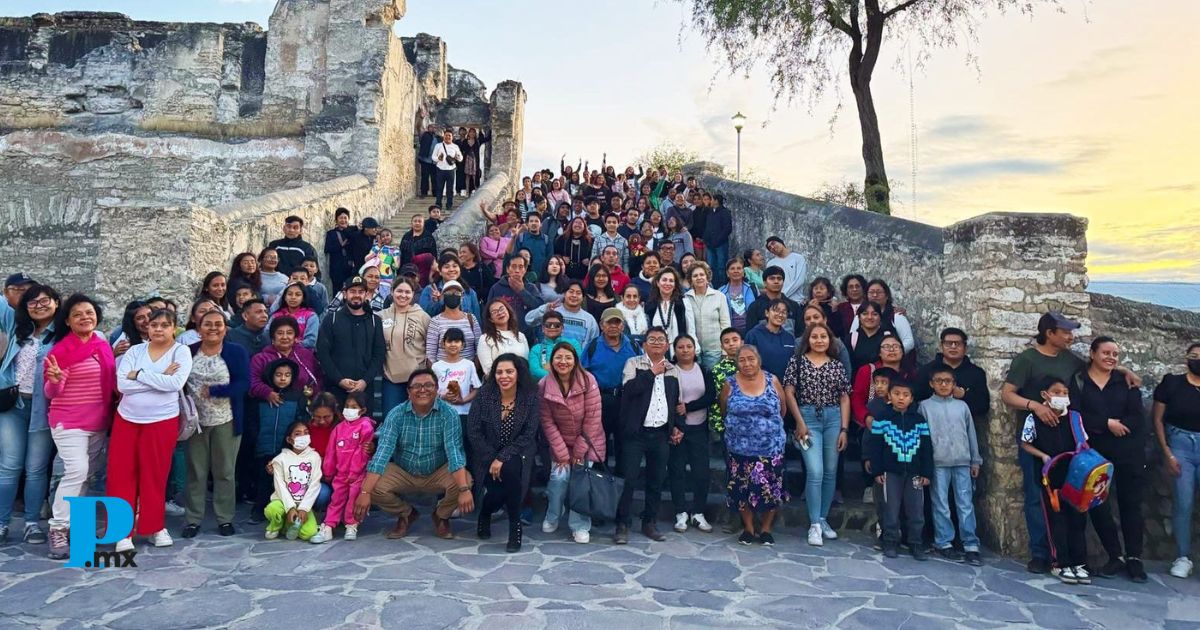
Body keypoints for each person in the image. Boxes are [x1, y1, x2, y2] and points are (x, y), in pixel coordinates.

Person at [110, 308, 193, 553]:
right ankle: (122, 532)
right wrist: (157, 377)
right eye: (153, 325)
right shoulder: (135, 350)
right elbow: (122, 384)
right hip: (127, 418)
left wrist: (142, 374)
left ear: (174, 328)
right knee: (121, 474)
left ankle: (155, 526)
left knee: (154, 474)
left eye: (164, 325)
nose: (158, 329)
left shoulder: (181, 351)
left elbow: (175, 384)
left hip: (162, 420)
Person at [357, 368, 473, 539]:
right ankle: (406, 514)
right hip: (404, 471)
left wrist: (463, 489)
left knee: (466, 481)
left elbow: (454, 452)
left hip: (437, 471)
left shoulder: (449, 414)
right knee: (371, 486)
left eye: (428, 385)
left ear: (436, 388)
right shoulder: (396, 414)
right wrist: (365, 493)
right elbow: (382, 453)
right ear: (408, 392)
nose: (423, 390)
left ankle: (441, 516)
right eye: (417, 386)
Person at [41, 295, 115, 560]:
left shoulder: (102, 345)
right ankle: (58, 528)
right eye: (77, 314)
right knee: (76, 471)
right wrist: (55, 380)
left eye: (89, 312)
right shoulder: (61, 351)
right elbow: (51, 391)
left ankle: (77, 527)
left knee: (85, 476)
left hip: (98, 421)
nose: (85, 317)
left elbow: (111, 381)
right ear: (68, 322)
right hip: (68, 421)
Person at [1069, 337, 1147, 582]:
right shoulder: (1079, 381)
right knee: (1098, 505)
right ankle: (1115, 555)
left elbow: (1137, 416)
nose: (1111, 358)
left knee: (1130, 504)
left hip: (1128, 452)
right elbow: (1076, 415)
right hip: (1096, 454)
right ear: (1092, 354)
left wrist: (1120, 426)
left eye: (1115, 354)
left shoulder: (1126, 382)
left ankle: (1134, 558)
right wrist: (1106, 424)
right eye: (1106, 352)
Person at [180, 310, 249, 539]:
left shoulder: (235, 352)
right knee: (196, 471)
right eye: (207, 324)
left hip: (226, 420)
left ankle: (224, 518)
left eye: (218, 324)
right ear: (198, 329)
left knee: (225, 472)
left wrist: (217, 391)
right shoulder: (188, 352)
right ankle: (193, 519)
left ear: (225, 328)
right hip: (195, 422)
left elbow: (243, 384)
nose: (213, 328)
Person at [783, 323, 851, 547]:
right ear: (807, 340)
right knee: (815, 470)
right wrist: (799, 423)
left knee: (830, 471)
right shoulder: (798, 362)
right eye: (815, 336)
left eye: (824, 336)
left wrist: (844, 428)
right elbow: (789, 392)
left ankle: (822, 519)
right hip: (808, 418)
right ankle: (813, 524)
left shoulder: (837, 365)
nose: (819, 340)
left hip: (833, 418)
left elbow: (844, 397)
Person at [614, 327, 683, 544]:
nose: (656, 342)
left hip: (661, 433)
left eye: (660, 339)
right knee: (629, 479)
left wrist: (676, 426)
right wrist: (651, 373)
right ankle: (622, 523)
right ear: (644, 344)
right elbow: (628, 392)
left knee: (656, 480)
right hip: (636, 433)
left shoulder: (673, 369)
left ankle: (649, 522)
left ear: (667, 345)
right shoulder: (634, 364)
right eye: (651, 339)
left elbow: (676, 403)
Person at [0, 283, 57, 547]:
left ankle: (32, 523)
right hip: (13, 405)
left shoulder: (62, 335)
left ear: (57, 303)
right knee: (10, 466)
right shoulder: (17, 330)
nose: (38, 305)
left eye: (44, 300)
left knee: (35, 468)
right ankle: (2, 523)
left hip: (43, 407)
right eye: (32, 302)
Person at [1019, 376, 1091, 584]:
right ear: (1045, 395)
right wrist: (1042, 455)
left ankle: (1079, 562)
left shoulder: (1075, 418)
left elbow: (1083, 442)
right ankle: (1060, 562)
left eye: (1064, 393)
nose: (1061, 396)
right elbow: (1026, 442)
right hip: (1050, 478)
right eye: (1056, 392)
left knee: (1077, 520)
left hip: (1074, 476)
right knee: (1055, 520)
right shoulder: (1034, 418)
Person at [466, 355, 539, 552]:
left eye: (509, 371)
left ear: (518, 373)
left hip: (517, 451)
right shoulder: (484, 395)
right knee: (498, 492)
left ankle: (515, 528)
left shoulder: (530, 396)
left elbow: (529, 432)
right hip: (486, 453)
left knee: (511, 473)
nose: (503, 376)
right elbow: (473, 430)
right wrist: (492, 458)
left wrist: (502, 458)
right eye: (499, 372)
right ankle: (486, 512)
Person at [722, 344, 789, 545]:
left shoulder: (772, 380)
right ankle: (749, 529)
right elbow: (724, 409)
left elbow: (783, 409)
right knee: (742, 489)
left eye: (751, 358)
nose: (747, 363)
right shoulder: (730, 384)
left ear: (759, 360)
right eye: (742, 360)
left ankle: (767, 529)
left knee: (771, 489)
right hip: (739, 449)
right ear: (736, 363)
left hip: (771, 448)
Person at [539, 343, 604, 543]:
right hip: (561, 444)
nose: (563, 362)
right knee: (559, 479)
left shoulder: (588, 380)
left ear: (575, 360)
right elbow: (547, 422)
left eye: (568, 357)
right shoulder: (544, 385)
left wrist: (579, 451)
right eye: (558, 357)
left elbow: (593, 419)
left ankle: (580, 525)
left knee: (580, 482)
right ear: (552, 361)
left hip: (588, 441)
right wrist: (563, 455)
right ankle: (553, 514)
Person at [918, 366, 983, 566]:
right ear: (931, 383)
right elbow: (923, 438)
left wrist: (975, 459)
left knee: (965, 503)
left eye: (948, 381)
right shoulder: (924, 407)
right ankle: (943, 542)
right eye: (939, 381)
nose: (944, 385)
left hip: (962, 461)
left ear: (954, 384)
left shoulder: (962, 407)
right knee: (940, 504)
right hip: (938, 462)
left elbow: (971, 433)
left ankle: (970, 544)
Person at [865, 379, 933, 561]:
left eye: (905, 395)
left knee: (916, 510)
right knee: (891, 508)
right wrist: (878, 471)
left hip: (914, 473)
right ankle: (890, 541)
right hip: (890, 472)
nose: (901, 398)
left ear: (912, 398)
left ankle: (916, 543)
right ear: (889, 396)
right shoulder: (882, 419)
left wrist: (926, 473)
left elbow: (926, 449)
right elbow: (876, 447)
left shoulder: (919, 421)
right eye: (896, 394)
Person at [1154, 342, 1200, 579]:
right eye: (1194, 355)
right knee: (1184, 501)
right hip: (1180, 443)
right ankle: (1183, 556)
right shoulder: (1172, 383)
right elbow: (1158, 419)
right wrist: (1167, 452)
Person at [310, 392, 374, 544]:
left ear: (362, 410)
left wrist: (355, 471)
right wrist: (329, 471)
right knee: (336, 499)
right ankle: (328, 526)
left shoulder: (365, 427)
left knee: (353, 498)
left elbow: (363, 452)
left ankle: (351, 524)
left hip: (357, 474)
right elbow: (331, 451)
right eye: (347, 406)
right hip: (340, 474)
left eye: (354, 407)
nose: (349, 410)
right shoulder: (338, 429)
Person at [668, 335, 716, 534]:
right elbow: (665, 398)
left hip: (699, 427)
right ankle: (680, 512)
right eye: (681, 347)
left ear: (695, 349)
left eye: (689, 346)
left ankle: (698, 511)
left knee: (701, 471)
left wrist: (688, 407)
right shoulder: (669, 370)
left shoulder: (703, 370)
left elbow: (710, 396)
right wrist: (674, 424)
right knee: (676, 470)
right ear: (675, 350)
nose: (685, 350)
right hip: (677, 429)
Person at [583, 309, 640, 476]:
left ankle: (622, 482)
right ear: (602, 325)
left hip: (626, 401)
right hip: (600, 399)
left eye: (617, 322)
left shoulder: (633, 346)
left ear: (623, 325)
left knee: (625, 444)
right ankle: (602, 483)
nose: (613, 326)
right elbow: (582, 374)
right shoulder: (593, 346)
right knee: (600, 444)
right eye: (609, 322)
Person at [252, 358, 309, 517]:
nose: (283, 378)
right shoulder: (262, 397)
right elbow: (254, 421)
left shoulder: (297, 397)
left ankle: (286, 510)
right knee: (263, 479)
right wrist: (256, 438)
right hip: (264, 445)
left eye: (287, 375)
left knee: (285, 480)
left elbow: (301, 420)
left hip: (286, 449)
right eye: (278, 375)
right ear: (271, 375)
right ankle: (259, 509)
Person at [316, 276, 385, 405]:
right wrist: (339, 380)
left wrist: (364, 381)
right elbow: (323, 353)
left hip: (364, 389)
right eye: (352, 291)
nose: (356, 295)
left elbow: (379, 354)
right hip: (335, 388)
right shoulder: (331, 319)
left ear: (366, 294)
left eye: (360, 292)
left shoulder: (376, 321)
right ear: (344, 294)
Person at [263, 420, 323, 542]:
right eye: (297, 434)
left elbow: (315, 484)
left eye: (306, 433)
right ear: (289, 440)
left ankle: (287, 524)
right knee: (272, 510)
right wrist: (290, 508)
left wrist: (304, 508)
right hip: (283, 502)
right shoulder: (280, 459)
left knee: (309, 533)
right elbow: (280, 486)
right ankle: (276, 525)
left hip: (303, 504)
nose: (303, 436)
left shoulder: (314, 457)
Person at [914, 327, 990, 419]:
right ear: (941, 346)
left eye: (957, 344)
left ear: (965, 347)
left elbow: (983, 406)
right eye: (948, 343)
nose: (953, 347)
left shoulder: (976, 373)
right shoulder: (926, 371)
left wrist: (963, 395)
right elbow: (916, 399)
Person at [378, 278, 430, 414]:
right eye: (399, 291)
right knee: (391, 419)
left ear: (413, 294)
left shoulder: (422, 316)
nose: (403, 295)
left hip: (418, 378)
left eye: (407, 292)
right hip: (391, 378)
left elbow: (430, 346)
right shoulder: (380, 316)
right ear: (391, 292)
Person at [250, 316, 322, 407]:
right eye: (280, 333)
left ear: (295, 336)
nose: (285, 337)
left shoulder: (306, 354)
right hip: (272, 407)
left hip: (305, 406)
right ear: (273, 337)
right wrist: (267, 393)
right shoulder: (261, 358)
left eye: (289, 333)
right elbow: (252, 381)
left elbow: (319, 376)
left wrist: (314, 392)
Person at [523, 281, 598, 348]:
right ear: (564, 294)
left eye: (578, 293)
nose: (574, 295)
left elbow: (594, 343)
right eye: (571, 292)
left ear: (582, 297)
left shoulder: (589, 319)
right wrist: (544, 309)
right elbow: (528, 320)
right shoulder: (552, 311)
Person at [684, 262, 729, 371]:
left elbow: (725, 325)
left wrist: (725, 350)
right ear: (691, 280)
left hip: (715, 350)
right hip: (693, 350)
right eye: (695, 276)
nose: (699, 278)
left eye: (702, 275)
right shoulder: (685, 298)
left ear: (707, 277)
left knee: (712, 384)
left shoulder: (719, 296)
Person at [425, 281, 482, 364]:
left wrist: (473, 369)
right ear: (442, 296)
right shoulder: (435, 321)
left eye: (456, 293)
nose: (453, 295)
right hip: (443, 373)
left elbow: (479, 348)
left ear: (462, 296)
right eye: (448, 293)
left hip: (468, 371)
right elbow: (430, 354)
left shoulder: (471, 319)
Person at [743, 299, 796, 382]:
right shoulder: (753, 335)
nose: (780, 314)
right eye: (776, 310)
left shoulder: (789, 338)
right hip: (762, 386)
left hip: (785, 386)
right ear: (767, 313)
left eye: (784, 312)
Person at [645, 268, 695, 353]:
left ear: (675, 285)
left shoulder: (683, 302)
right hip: (656, 352)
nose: (667, 283)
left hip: (679, 352)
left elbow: (690, 329)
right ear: (658, 283)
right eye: (664, 280)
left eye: (671, 281)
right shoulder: (650, 305)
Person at [487, 256, 544, 327]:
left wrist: (522, 291)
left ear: (525, 270)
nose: (517, 270)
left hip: (527, 333)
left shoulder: (531, 287)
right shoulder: (496, 288)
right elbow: (489, 311)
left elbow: (540, 308)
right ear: (507, 269)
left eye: (521, 267)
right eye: (514, 267)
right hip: (503, 331)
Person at [744, 266, 802, 335]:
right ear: (765, 283)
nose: (776, 281)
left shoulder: (794, 306)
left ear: (783, 282)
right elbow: (750, 335)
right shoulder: (755, 307)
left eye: (779, 278)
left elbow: (800, 335)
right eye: (772, 278)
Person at [707, 328, 742, 438]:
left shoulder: (752, 366)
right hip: (726, 423)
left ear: (742, 342)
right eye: (726, 342)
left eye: (735, 340)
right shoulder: (717, 370)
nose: (731, 344)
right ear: (722, 347)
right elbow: (715, 399)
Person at [477, 300, 529, 375]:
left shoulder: (521, 336)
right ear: (490, 319)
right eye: (494, 312)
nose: (499, 313)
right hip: (498, 382)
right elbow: (488, 369)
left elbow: (525, 363)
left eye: (502, 309)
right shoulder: (485, 339)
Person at [528, 311, 581, 382]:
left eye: (557, 325)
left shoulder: (574, 343)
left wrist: (549, 369)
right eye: (548, 325)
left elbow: (578, 365)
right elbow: (534, 371)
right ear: (543, 328)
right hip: (545, 389)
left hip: (571, 386)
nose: (552, 327)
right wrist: (560, 376)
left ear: (562, 328)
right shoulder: (536, 349)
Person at [271, 283, 320, 348]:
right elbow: (268, 337)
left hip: (302, 353)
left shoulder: (311, 316)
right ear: (285, 297)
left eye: (298, 295)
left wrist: (291, 344)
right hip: (276, 352)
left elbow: (311, 341)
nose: (293, 297)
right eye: (290, 294)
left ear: (303, 298)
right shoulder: (276, 316)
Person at [848, 302, 892, 373]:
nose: (869, 317)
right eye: (865, 314)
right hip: (858, 381)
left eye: (874, 314)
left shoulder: (888, 337)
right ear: (859, 317)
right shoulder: (851, 338)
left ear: (880, 317)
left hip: (884, 381)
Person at [720, 257, 756, 334]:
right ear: (727, 273)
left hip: (750, 331)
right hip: (730, 332)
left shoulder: (752, 288)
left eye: (739, 268)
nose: (736, 271)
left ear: (743, 272)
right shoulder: (720, 292)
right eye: (732, 269)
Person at [325, 207, 359, 291]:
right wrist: (341, 245)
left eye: (345, 218)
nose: (343, 220)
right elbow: (327, 249)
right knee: (337, 293)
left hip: (351, 268)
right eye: (340, 218)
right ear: (336, 220)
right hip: (337, 269)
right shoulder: (331, 234)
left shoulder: (354, 232)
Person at [764, 237, 807, 303]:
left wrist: (782, 296)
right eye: (770, 248)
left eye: (773, 243)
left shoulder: (798, 258)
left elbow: (799, 280)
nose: (772, 247)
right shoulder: (771, 264)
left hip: (796, 301)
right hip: (777, 302)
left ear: (781, 242)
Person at [703, 193, 733, 287]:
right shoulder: (710, 212)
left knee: (721, 266)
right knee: (711, 266)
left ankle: (722, 286)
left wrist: (718, 240)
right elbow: (707, 227)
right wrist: (706, 240)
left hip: (721, 243)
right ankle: (713, 285)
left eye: (711, 199)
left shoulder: (725, 212)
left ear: (716, 201)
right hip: (710, 243)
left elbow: (727, 228)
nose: (709, 201)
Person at [399, 215, 438, 283]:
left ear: (423, 224)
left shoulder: (429, 237)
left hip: (424, 270)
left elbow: (433, 254)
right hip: (407, 269)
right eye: (415, 221)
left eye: (419, 221)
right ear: (412, 223)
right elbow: (401, 253)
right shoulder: (406, 236)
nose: (417, 223)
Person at [432, 129, 464, 211]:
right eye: (446, 135)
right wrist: (438, 158)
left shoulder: (455, 146)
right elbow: (433, 157)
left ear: (452, 137)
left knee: (450, 189)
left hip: (451, 169)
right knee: (439, 188)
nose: (448, 137)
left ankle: (449, 205)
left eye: (449, 135)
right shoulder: (438, 146)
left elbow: (460, 158)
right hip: (440, 169)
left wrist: (457, 157)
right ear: (443, 136)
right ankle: (438, 204)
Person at [417, 123, 438, 197]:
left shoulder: (437, 137)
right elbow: (420, 130)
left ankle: (435, 192)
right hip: (425, 160)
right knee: (425, 176)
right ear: (428, 128)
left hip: (434, 161)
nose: (433, 129)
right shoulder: (425, 135)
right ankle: (424, 192)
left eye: (434, 127)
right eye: (431, 127)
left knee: (434, 177)